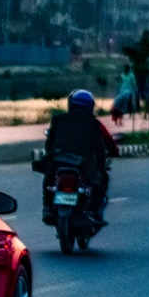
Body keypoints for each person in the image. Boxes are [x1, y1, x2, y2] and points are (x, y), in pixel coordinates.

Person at [41, 89, 114, 226]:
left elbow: (49, 144)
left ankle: (47, 207)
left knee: (49, 177)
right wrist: (101, 166)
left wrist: (51, 156)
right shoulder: (93, 124)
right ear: (90, 106)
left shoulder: (58, 120)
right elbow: (99, 149)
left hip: (58, 162)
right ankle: (92, 210)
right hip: (82, 165)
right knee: (102, 178)